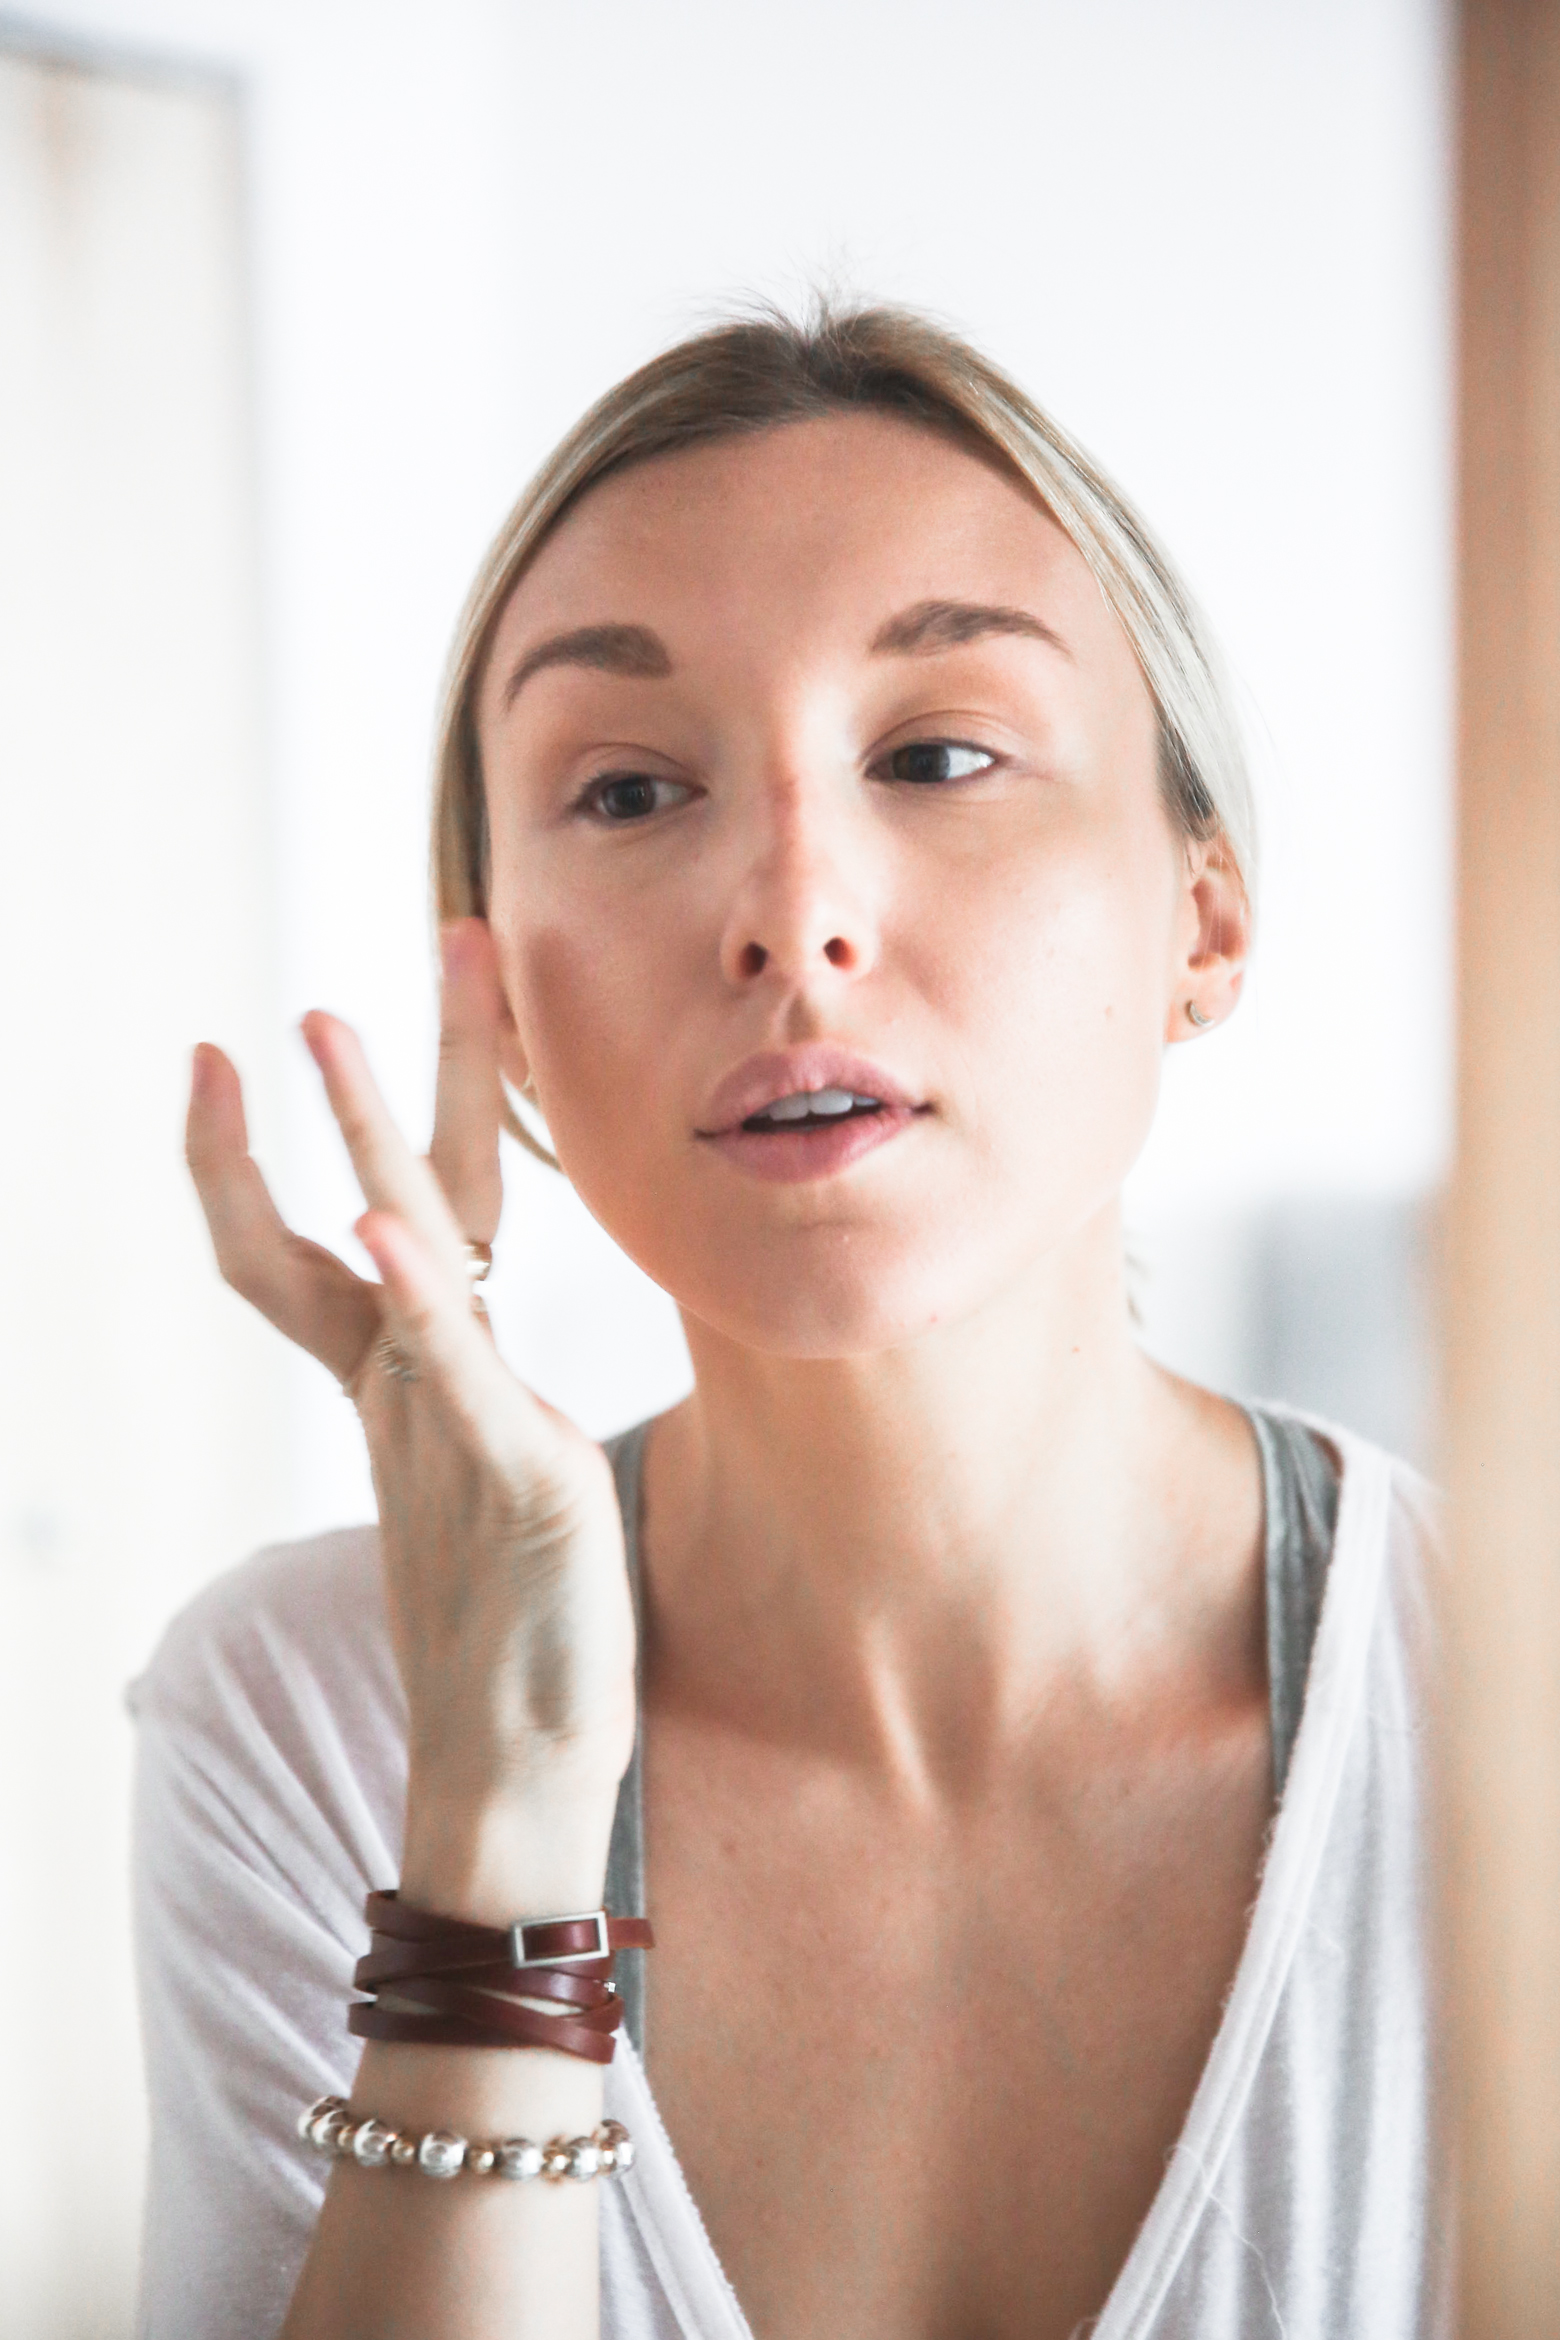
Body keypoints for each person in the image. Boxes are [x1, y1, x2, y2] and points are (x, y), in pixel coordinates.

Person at [134, 303, 1445, 2340]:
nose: (791, 907)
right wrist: (499, 1817)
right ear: (507, 1005)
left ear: (1207, 915)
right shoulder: (309, 1721)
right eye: (634, 792)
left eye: (936, 753)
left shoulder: (1498, 1702)